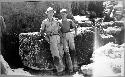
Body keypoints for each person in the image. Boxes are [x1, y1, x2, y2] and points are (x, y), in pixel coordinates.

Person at [40, 7, 64, 75]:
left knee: (61, 53)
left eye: (52, 12)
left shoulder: (56, 21)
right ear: (47, 13)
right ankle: (59, 71)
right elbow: (41, 32)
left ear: (53, 13)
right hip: (51, 38)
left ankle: (63, 68)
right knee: (55, 54)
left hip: (58, 37)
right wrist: (46, 38)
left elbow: (59, 30)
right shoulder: (44, 22)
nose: (51, 13)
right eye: (49, 12)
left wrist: (61, 39)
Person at [59, 9, 78, 73]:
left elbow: (75, 26)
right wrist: (61, 34)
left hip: (69, 35)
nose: (63, 15)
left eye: (64, 14)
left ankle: (75, 66)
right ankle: (70, 68)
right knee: (66, 52)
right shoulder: (59, 22)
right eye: (62, 14)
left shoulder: (69, 21)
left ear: (66, 14)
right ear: (60, 14)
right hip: (63, 37)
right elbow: (58, 30)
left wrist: (75, 33)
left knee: (73, 50)